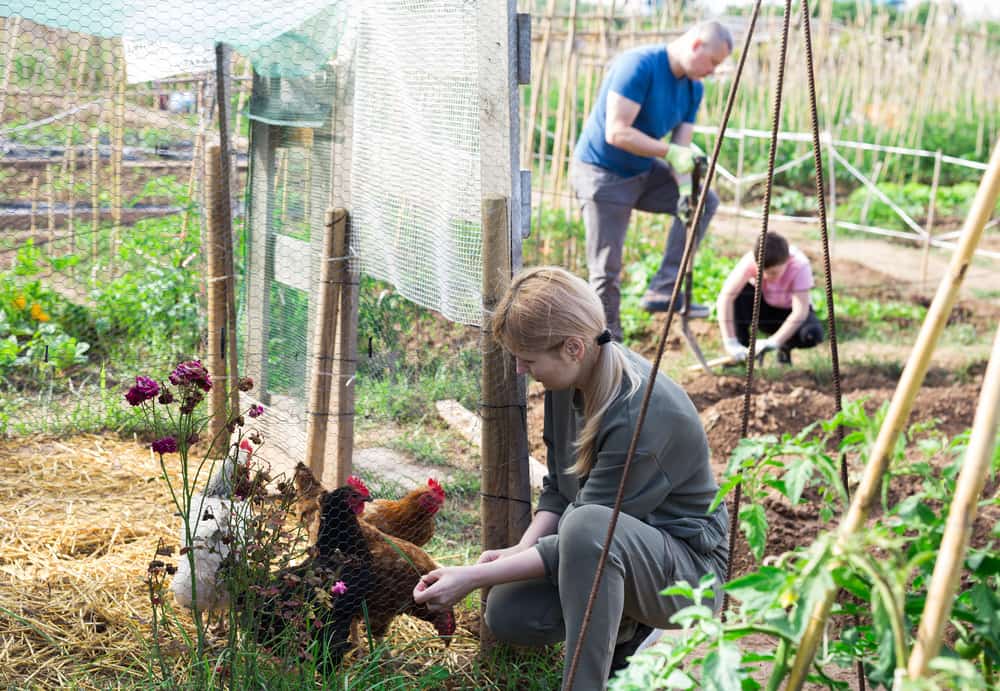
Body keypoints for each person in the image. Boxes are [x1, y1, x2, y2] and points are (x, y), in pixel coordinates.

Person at [412, 266, 729, 689]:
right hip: (607, 548)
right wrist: (519, 550)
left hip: (687, 575)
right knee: (509, 611)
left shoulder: (644, 413)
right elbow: (562, 489)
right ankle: (625, 628)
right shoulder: (569, 383)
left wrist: (471, 577)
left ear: (573, 347)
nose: (522, 370)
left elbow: (589, 533)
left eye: (528, 359)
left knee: (586, 528)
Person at [569, 21, 733, 342]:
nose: (713, 72)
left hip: (642, 172)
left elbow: (681, 151)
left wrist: (685, 189)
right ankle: (608, 346)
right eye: (713, 62)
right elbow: (616, 132)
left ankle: (663, 287)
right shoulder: (640, 65)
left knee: (703, 202)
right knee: (606, 270)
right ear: (697, 44)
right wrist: (669, 151)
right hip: (602, 174)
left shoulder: (692, 88)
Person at [716, 232, 825, 366]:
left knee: (812, 334)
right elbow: (725, 298)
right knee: (740, 294)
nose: (767, 277)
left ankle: (785, 346)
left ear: (787, 261)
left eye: (773, 272)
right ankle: (742, 351)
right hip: (764, 311)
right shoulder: (750, 260)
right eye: (762, 271)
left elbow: (800, 311)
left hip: (789, 313)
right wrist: (730, 343)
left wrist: (775, 341)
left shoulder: (799, 265)